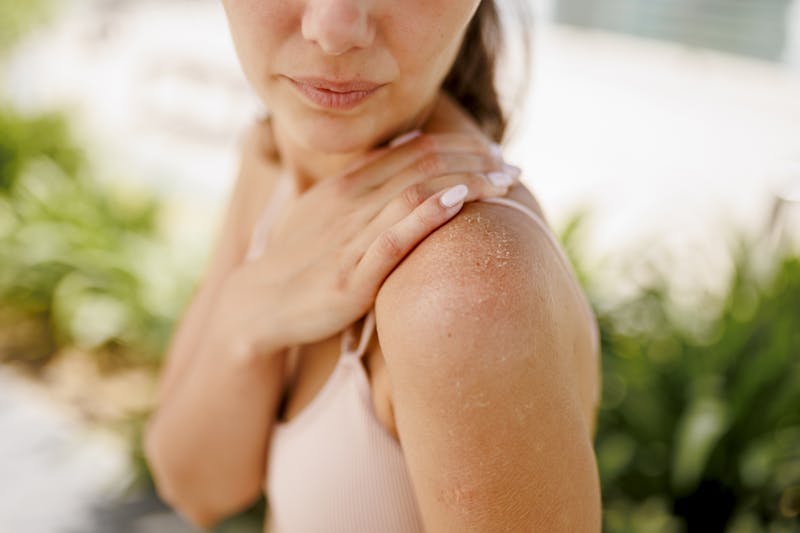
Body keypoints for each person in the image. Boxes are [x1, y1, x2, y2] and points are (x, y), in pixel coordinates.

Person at [144, 1, 602, 531]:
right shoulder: (274, 149)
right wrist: (244, 320)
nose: (333, 30)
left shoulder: (461, 291)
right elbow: (194, 487)